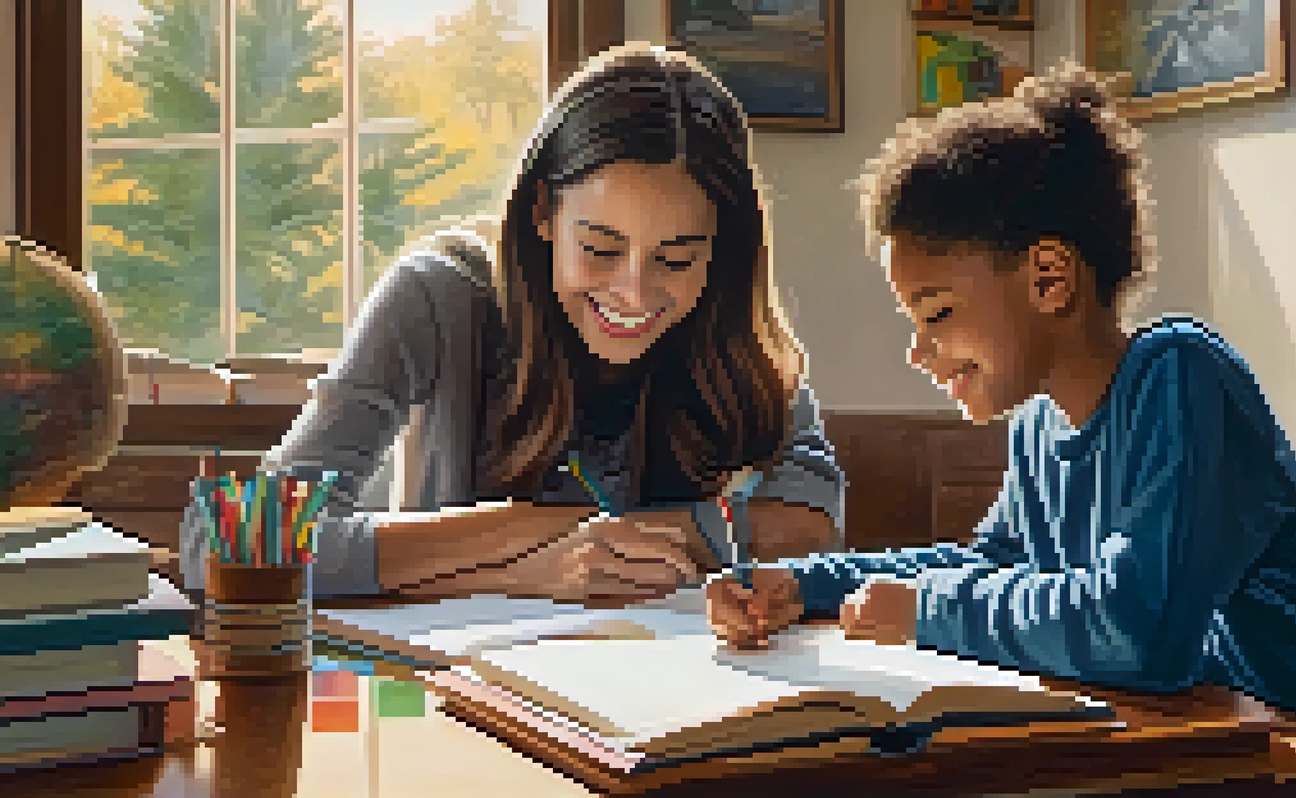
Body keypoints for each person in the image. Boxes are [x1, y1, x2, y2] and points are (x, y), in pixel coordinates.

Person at [704, 61, 1296, 797]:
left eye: (936, 313)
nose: (918, 350)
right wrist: (804, 584)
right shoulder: (1040, 425)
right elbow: (991, 566)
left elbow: (1139, 634)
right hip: (1228, 767)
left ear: (1048, 277)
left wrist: (927, 611)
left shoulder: (1181, 377)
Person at [180, 43, 844, 606]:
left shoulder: (730, 326)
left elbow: (805, 527)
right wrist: (528, 552)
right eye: (600, 249)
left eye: (675, 258)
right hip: (440, 707)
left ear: (719, 250)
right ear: (543, 213)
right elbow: (225, 544)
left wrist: (586, 547)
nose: (634, 292)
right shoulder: (440, 296)